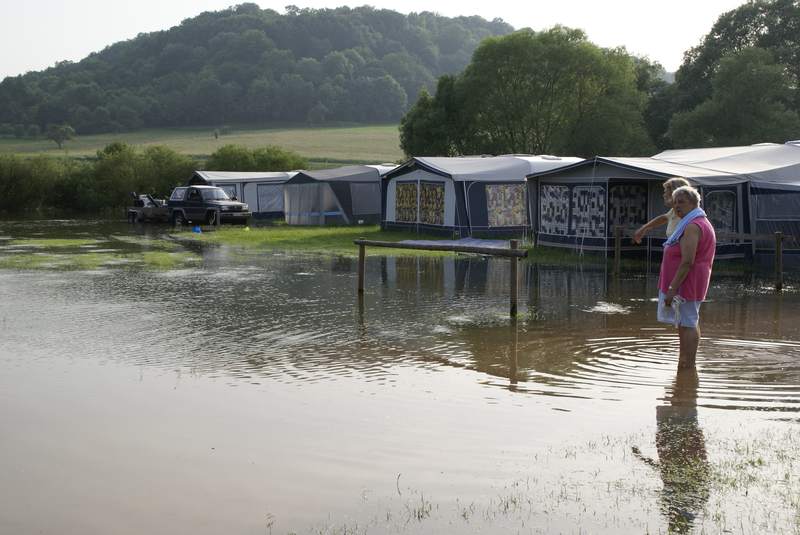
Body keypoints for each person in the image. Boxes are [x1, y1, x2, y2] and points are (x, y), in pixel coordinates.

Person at [658, 186, 716, 369]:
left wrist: (671, 289)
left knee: (688, 321)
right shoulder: (696, 221)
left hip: (687, 282)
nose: (677, 207)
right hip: (690, 280)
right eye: (675, 203)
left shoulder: (692, 226)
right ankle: (686, 363)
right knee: (687, 321)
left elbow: (687, 261)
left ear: (694, 203)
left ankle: (687, 364)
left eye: (681, 202)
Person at [633, 177, 691, 244]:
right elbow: (664, 218)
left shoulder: (687, 217)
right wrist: (644, 228)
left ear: (675, 194)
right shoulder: (674, 211)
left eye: (666, 192)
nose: (664, 195)